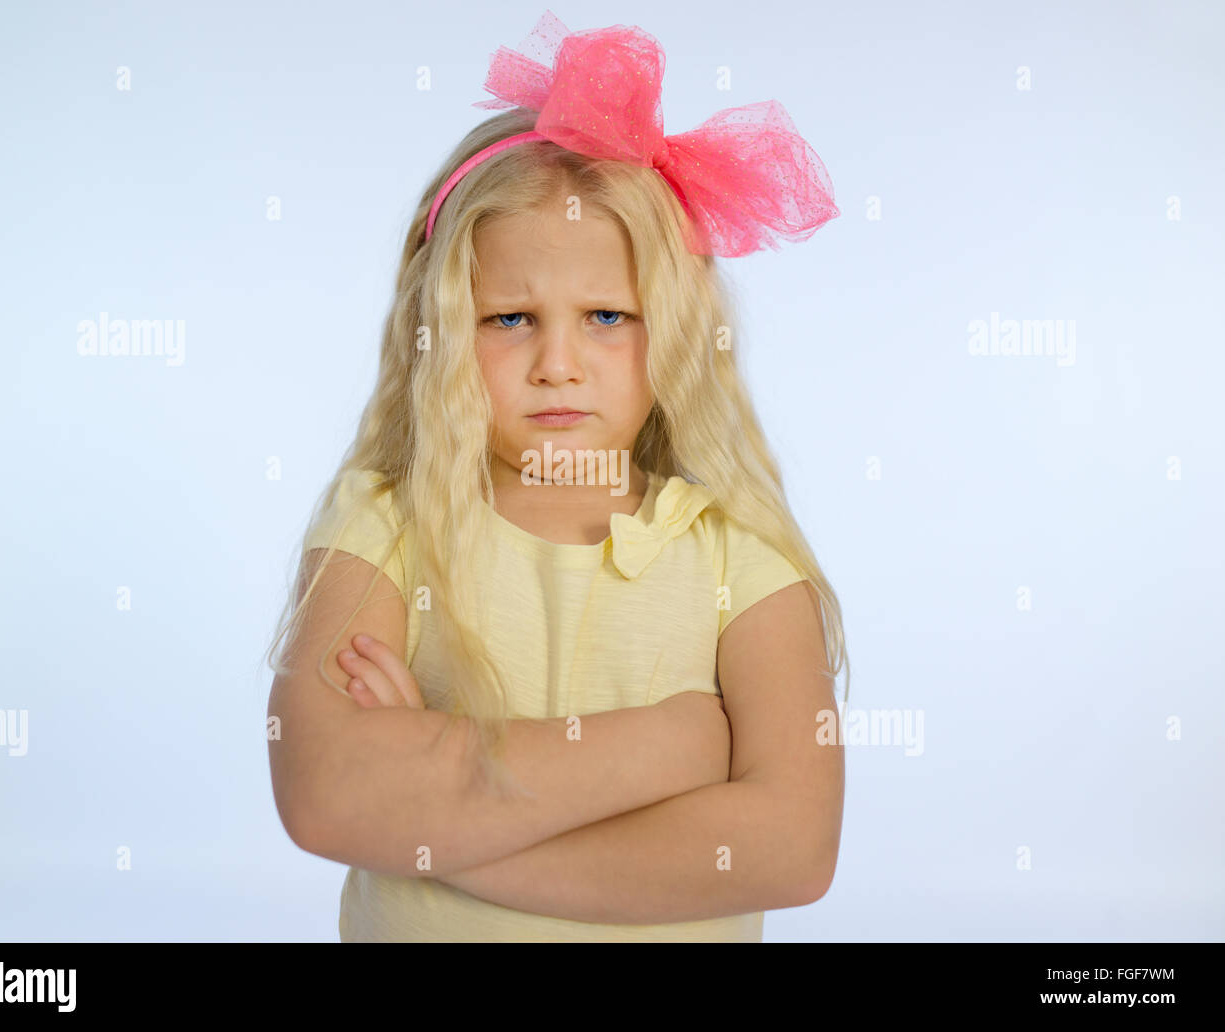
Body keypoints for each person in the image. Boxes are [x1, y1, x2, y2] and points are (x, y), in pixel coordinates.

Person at [265, 9, 848, 942]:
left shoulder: (740, 556)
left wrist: (433, 815)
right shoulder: (385, 524)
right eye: (510, 319)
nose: (559, 364)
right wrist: (678, 744)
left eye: (608, 317)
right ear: (446, 328)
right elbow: (328, 794)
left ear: (677, 334)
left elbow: (791, 847)